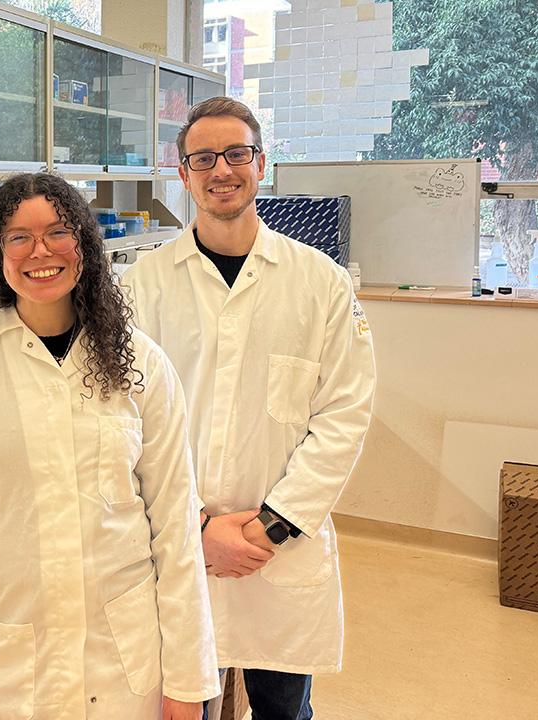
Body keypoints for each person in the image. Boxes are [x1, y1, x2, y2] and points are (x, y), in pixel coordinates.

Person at [0, 173, 220, 719]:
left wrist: (190, 680)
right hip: (5, 672)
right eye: (18, 237)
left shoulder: (142, 364)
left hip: (123, 666)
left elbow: (175, 529)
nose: (40, 251)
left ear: (84, 244)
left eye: (58, 231)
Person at [122, 97, 376, 720]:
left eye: (237, 153)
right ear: (182, 173)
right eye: (203, 157)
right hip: (181, 543)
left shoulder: (320, 283)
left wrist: (272, 525)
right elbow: (126, 424)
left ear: (260, 165)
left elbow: (343, 415)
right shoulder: (140, 287)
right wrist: (199, 527)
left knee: (283, 709)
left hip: (280, 550)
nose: (221, 170)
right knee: (185, 705)